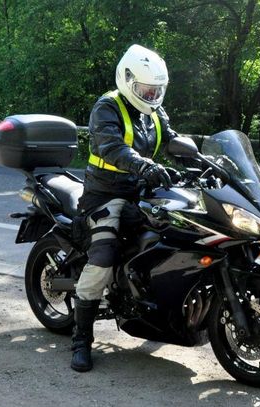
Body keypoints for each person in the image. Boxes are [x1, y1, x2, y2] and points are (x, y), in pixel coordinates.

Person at [71, 44, 180, 372]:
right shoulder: (107, 107)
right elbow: (112, 146)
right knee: (103, 256)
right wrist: (145, 166)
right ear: (128, 80)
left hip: (142, 192)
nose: (151, 95)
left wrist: (205, 163)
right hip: (105, 195)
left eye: (156, 90)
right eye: (146, 90)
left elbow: (174, 141)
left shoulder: (154, 112)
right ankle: (81, 340)